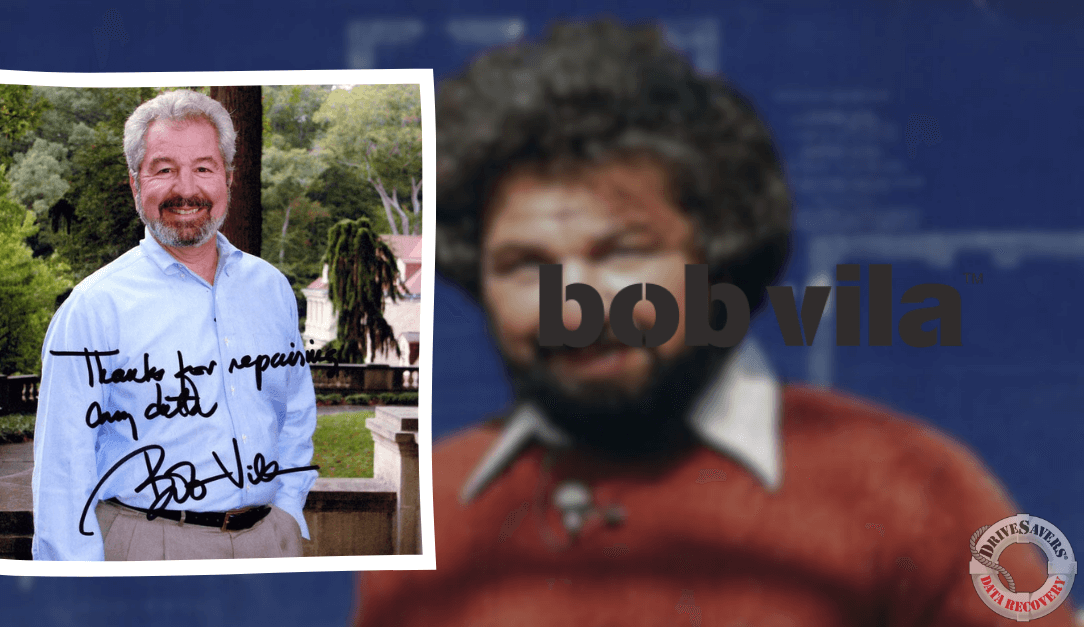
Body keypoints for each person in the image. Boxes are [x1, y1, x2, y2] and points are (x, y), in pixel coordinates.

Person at [353, 21, 1076, 626]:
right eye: (521, 263)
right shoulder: (433, 507)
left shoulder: (913, 486)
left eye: (623, 251)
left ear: (718, 258)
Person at [31, 89, 318, 561]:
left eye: (204, 168)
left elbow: (295, 413)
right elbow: (63, 468)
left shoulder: (272, 289)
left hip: (271, 543)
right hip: (149, 545)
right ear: (134, 183)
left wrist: (287, 509)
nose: (186, 189)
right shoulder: (94, 307)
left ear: (228, 178)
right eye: (164, 169)